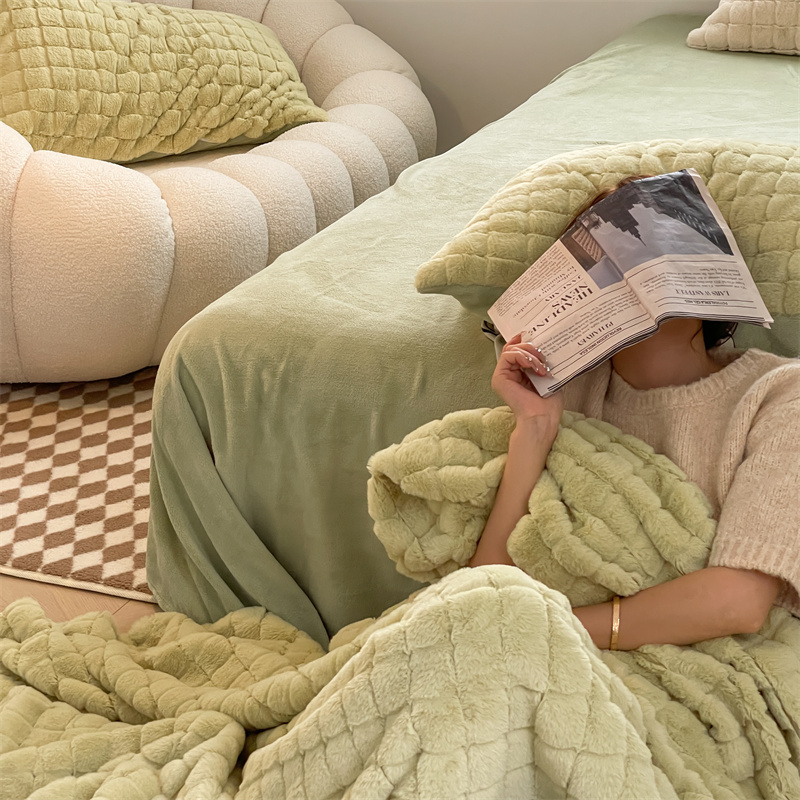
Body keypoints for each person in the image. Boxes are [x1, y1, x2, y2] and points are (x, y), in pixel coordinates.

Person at [469, 185, 800, 652]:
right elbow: (485, 584)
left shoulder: (782, 392)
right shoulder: (566, 398)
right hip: (544, 647)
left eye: (665, 245)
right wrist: (534, 427)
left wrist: (533, 633)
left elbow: (739, 601)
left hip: (690, 657)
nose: (640, 273)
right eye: (611, 258)